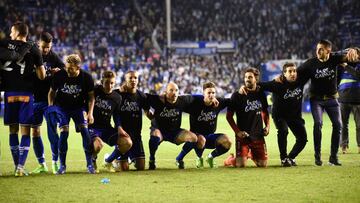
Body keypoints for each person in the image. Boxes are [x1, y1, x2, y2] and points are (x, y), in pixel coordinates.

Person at [297, 39, 359, 166]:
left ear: (328, 51)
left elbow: (352, 56)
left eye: (321, 49)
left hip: (332, 99)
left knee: (338, 125)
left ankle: (333, 157)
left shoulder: (335, 59)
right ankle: (317, 156)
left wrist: (354, 50)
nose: (318, 51)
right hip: (316, 100)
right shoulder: (310, 63)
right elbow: (295, 73)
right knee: (318, 124)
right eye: (317, 49)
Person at [0, 22, 46, 176]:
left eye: (12, 30)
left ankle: (16, 166)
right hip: (27, 94)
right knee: (25, 131)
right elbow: (42, 76)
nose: (10, 33)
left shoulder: (4, 44)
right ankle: (20, 168)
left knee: (13, 131)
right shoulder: (34, 48)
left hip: (9, 93)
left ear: (18, 31)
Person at [240, 63, 308, 166]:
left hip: (295, 116)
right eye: (290, 71)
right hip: (280, 115)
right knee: (283, 131)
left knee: (303, 139)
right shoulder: (277, 84)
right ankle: (283, 158)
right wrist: (243, 87)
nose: (293, 73)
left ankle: (291, 157)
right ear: (284, 73)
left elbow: (310, 67)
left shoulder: (301, 80)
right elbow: (259, 84)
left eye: (294, 71)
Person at [48, 54, 95, 174]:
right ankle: (62, 166)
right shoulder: (59, 75)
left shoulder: (87, 77)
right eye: (66, 67)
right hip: (62, 108)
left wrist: (90, 113)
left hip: (79, 108)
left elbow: (91, 98)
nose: (67, 70)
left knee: (85, 131)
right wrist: (51, 108)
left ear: (78, 67)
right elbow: (51, 93)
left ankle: (89, 164)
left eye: (71, 68)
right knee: (64, 133)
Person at [30, 32, 65, 174]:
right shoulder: (31, 55)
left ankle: (55, 162)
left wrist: (59, 71)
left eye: (48, 47)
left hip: (49, 100)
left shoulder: (53, 56)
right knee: (35, 131)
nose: (46, 50)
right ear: (39, 43)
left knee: (52, 130)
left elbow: (64, 69)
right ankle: (42, 164)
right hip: (34, 99)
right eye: (44, 47)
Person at [106, 70, 152, 171]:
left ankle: (132, 157)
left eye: (135, 78)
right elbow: (115, 112)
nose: (133, 80)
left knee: (141, 167)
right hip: (123, 135)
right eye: (130, 78)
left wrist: (155, 117)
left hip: (136, 136)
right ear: (125, 80)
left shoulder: (142, 96)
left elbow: (148, 113)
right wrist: (118, 127)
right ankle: (110, 159)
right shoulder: (118, 94)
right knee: (124, 169)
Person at [178, 82, 231, 168]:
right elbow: (180, 101)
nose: (211, 95)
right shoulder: (195, 103)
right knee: (201, 139)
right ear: (203, 93)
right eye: (208, 93)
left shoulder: (219, 102)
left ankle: (210, 157)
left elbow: (232, 101)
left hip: (210, 137)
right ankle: (199, 158)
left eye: (213, 93)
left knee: (227, 141)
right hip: (196, 139)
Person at [88, 71, 132, 173]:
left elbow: (116, 115)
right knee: (98, 145)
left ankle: (108, 161)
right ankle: (92, 160)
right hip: (92, 127)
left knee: (127, 142)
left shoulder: (117, 98)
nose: (109, 85)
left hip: (106, 128)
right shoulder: (95, 90)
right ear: (102, 82)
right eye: (107, 83)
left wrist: (119, 127)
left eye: (112, 83)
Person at [147, 82, 197, 170]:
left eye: (176, 90)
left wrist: (212, 99)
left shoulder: (182, 100)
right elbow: (142, 98)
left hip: (175, 132)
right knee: (155, 136)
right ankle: (152, 159)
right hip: (159, 130)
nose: (174, 93)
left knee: (193, 138)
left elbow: (197, 97)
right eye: (171, 90)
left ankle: (179, 159)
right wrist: (146, 110)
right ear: (165, 92)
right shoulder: (158, 99)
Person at [226, 68, 270, 168]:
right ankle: (230, 160)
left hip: (258, 135)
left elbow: (265, 112)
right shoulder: (237, 95)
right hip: (243, 136)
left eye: (250, 77)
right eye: (245, 77)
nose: (247, 79)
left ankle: (250, 154)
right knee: (240, 165)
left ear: (256, 79)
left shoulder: (261, 94)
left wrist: (267, 127)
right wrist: (237, 132)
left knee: (262, 165)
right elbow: (229, 116)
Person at [338, 61, 360, 154]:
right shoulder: (341, 67)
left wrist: (346, 66)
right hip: (343, 99)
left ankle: (359, 145)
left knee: (359, 125)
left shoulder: (355, 66)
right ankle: (344, 145)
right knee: (343, 125)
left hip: (358, 99)